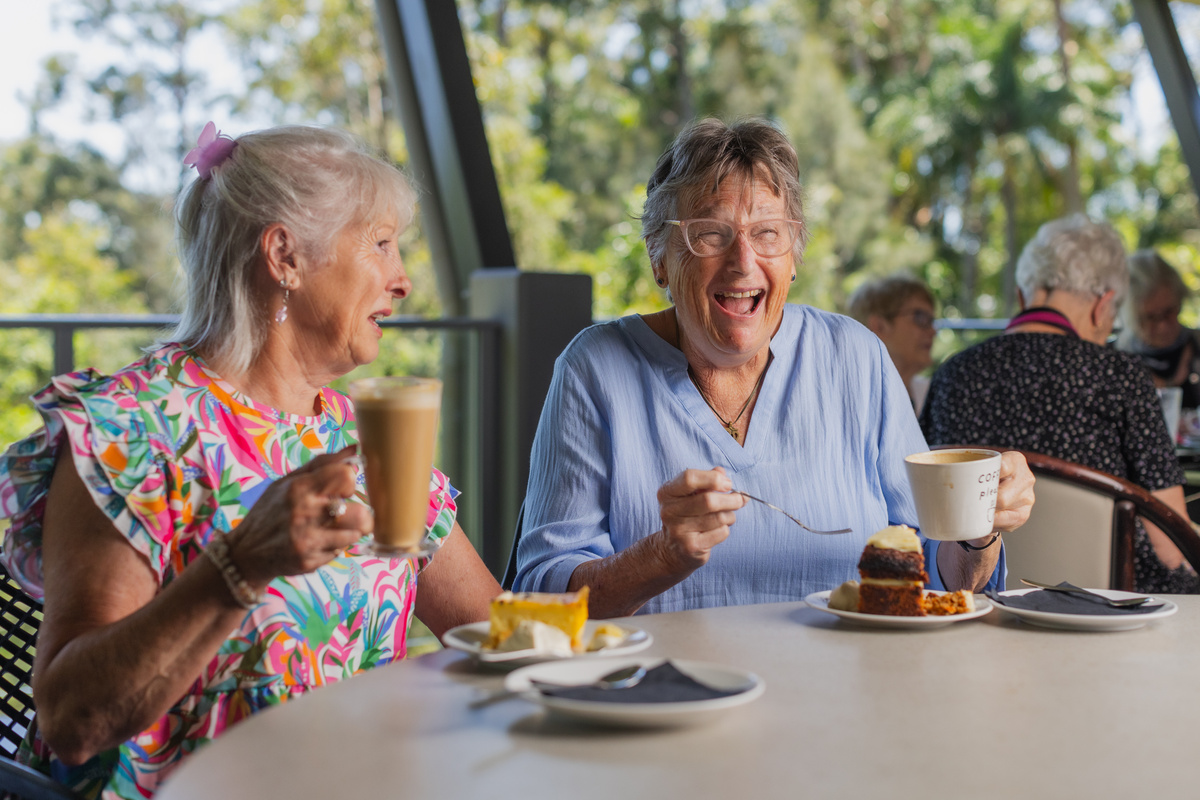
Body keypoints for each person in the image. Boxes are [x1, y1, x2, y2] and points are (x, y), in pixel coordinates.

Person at [0, 124, 500, 799]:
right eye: (381, 244)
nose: (403, 278)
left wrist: (656, 562)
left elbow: (498, 633)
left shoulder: (362, 435)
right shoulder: (138, 428)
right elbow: (72, 722)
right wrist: (239, 566)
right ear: (285, 256)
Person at [511, 118, 1035, 618]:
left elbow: (945, 579)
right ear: (659, 259)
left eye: (766, 233)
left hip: (844, 692)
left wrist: (977, 532)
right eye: (710, 233)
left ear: (794, 253)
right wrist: (661, 556)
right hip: (663, 695)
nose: (743, 261)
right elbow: (542, 594)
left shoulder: (857, 358)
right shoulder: (595, 368)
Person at [920, 214, 1198, 594]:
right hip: (1108, 604)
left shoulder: (953, 373)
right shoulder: (1121, 376)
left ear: (1021, 296)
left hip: (975, 595)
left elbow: (922, 503)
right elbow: (1171, 546)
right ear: (1104, 307)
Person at [1116, 249, 1200, 410]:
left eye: (1169, 311)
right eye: (1150, 317)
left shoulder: (1196, 345)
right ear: (1130, 317)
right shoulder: (1114, 361)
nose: (1162, 326)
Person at [845, 275, 937, 413]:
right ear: (878, 326)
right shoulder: (846, 397)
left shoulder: (933, 396)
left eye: (931, 321)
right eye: (920, 318)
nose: (932, 331)